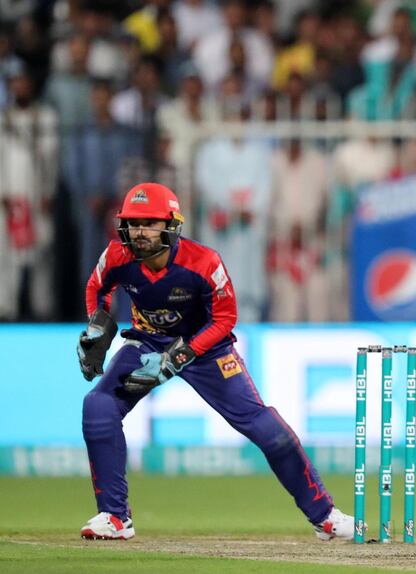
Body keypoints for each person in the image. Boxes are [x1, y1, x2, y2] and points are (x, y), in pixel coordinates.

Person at [76, 182, 354, 541]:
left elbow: (225, 318)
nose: (140, 232)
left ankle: (325, 515)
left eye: (150, 222)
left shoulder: (204, 262)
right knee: (97, 406)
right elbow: (97, 287)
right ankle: (114, 517)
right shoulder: (117, 256)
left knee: (265, 427)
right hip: (147, 340)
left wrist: (178, 357)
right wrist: (98, 325)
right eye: (134, 223)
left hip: (206, 349)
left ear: (170, 226)